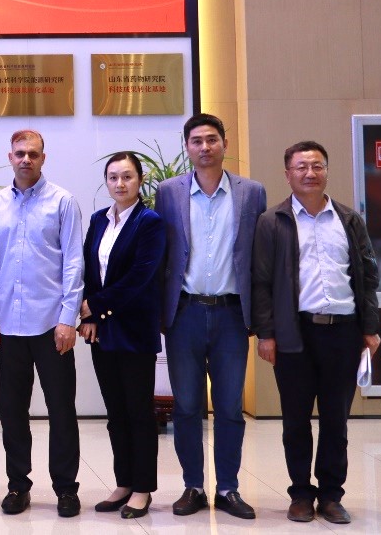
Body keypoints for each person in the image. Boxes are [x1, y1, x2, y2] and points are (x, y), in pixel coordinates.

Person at [253, 141, 380, 525]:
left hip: (343, 332)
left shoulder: (349, 219)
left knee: (336, 420)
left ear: (326, 170)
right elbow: (261, 282)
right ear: (287, 174)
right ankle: (300, 494)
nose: (310, 173)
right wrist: (266, 333)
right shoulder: (272, 221)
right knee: (295, 420)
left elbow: (368, 275)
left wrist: (370, 327)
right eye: (301, 167)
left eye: (317, 166)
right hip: (294, 333)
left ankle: (330, 495)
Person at [155, 113, 267, 518]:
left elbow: (258, 258)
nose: (205, 147)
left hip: (231, 315)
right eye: (197, 141)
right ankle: (194, 486)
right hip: (184, 313)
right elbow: (163, 254)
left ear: (224, 143)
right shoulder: (168, 192)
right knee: (186, 405)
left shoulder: (251, 193)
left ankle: (229, 488)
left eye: (212, 139)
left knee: (230, 406)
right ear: (187, 147)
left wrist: (262, 319)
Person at [0, 129, 84, 517]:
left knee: (61, 409)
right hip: (8, 325)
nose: (26, 159)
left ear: (43, 158)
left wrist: (68, 318)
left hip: (51, 325)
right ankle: (18, 485)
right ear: (10, 157)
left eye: (33, 154)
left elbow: (73, 262)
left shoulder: (62, 201)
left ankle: (66, 489)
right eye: (20, 153)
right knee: (12, 412)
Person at [79, 152, 167, 519]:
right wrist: (90, 317)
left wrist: (94, 307)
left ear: (140, 180)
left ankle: (143, 488)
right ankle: (124, 481)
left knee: (139, 412)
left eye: (127, 176)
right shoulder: (99, 219)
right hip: (102, 331)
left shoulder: (150, 222)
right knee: (116, 412)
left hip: (134, 330)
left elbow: (140, 277)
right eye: (113, 177)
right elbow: (89, 268)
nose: (120, 183)